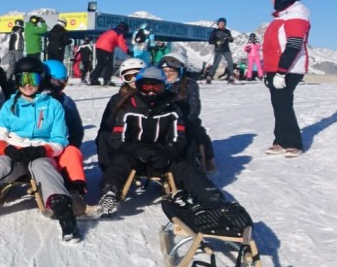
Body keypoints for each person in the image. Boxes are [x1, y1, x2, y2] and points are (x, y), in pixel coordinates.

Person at [0, 56, 78, 239]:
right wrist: (7, 149)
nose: (28, 84)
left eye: (32, 79)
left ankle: (64, 213)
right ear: (17, 81)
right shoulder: (10, 106)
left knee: (44, 168)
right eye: (22, 79)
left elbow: (60, 139)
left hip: (41, 153)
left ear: (41, 79)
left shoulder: (53, 106)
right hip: (14, 152)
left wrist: (43, 150)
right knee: (0, 164)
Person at [95, 67, 233, 217]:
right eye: (146, 87)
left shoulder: (172, 107)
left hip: (163, 153)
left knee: (184, 168)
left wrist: (168, 153)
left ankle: (211, 197)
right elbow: (117, 139)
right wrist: (137, 150)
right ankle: (110, 192)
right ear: (139, 86)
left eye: (156, 87)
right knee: (119, 163)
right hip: (135, 153)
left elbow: (179, 138)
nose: (151, 92)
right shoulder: (128, 107)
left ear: (164, 87)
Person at [263, 0, 311, 156]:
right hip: (276, 69)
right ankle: (281, 141)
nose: (271, 0)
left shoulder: (297, 16)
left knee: (283, 105)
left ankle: (293, 143)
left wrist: (281, 72)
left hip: (288, 69)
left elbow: (294, 45)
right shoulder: (284, 16)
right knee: (279, 105)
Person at [45, 60, 88, 213]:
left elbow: (76, 131)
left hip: (58, 147)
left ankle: (75, 190)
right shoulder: (30, 99)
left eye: (63, 81)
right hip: (34, 148)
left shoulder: (66, 102)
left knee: (72, 152)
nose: (60, 85)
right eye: (57, 81)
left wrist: (68, 147)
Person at [160, 54, 216, 172]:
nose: (167, 74)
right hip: (164, 121)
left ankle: (208, 159)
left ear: (180, 71)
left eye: (171, 71)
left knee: (198, 133)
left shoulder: (190, 84)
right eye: (164, 71)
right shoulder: (160, 85)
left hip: (186, 120)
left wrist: (185, 120)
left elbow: (194, 107)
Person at [94, 57, 147, 171]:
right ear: (124, 79)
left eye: (137, 75)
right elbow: (107, 124)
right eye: (129, 77)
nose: (133, 80)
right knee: (103, 136)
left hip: (145, 140)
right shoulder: (117, 99)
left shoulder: (152, 95)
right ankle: (109, 171)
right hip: (124, 140)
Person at [206, 18, 236, 84]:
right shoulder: (215, 31)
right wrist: (217, 42)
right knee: (215, 64)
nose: (222, 24)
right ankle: (209, 76)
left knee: (230, 63)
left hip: (226, 49)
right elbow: (210, 41)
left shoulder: (227, 31)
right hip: (218, 50)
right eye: (220, 23)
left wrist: (230, 38)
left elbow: (231, 40)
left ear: (225, 24)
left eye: (223, 23)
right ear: (218, 24)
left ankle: (231, 77)